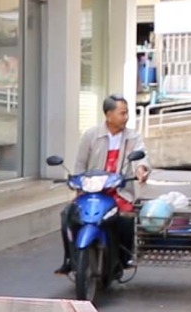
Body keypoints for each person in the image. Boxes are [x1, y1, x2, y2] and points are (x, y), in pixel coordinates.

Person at [55, 94, 151, 275]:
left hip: (119, 191)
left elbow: (141, 156)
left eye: (127, 113)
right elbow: (80, 164)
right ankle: (70, 258)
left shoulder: (132, 137)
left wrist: (141, 169)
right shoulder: (91, 135)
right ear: (109, 115)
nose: (126, 117)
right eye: (122, 113)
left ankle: (124, 258)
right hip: (92, 190)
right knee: (67, 216)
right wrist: (78, 187)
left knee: (126, 218)